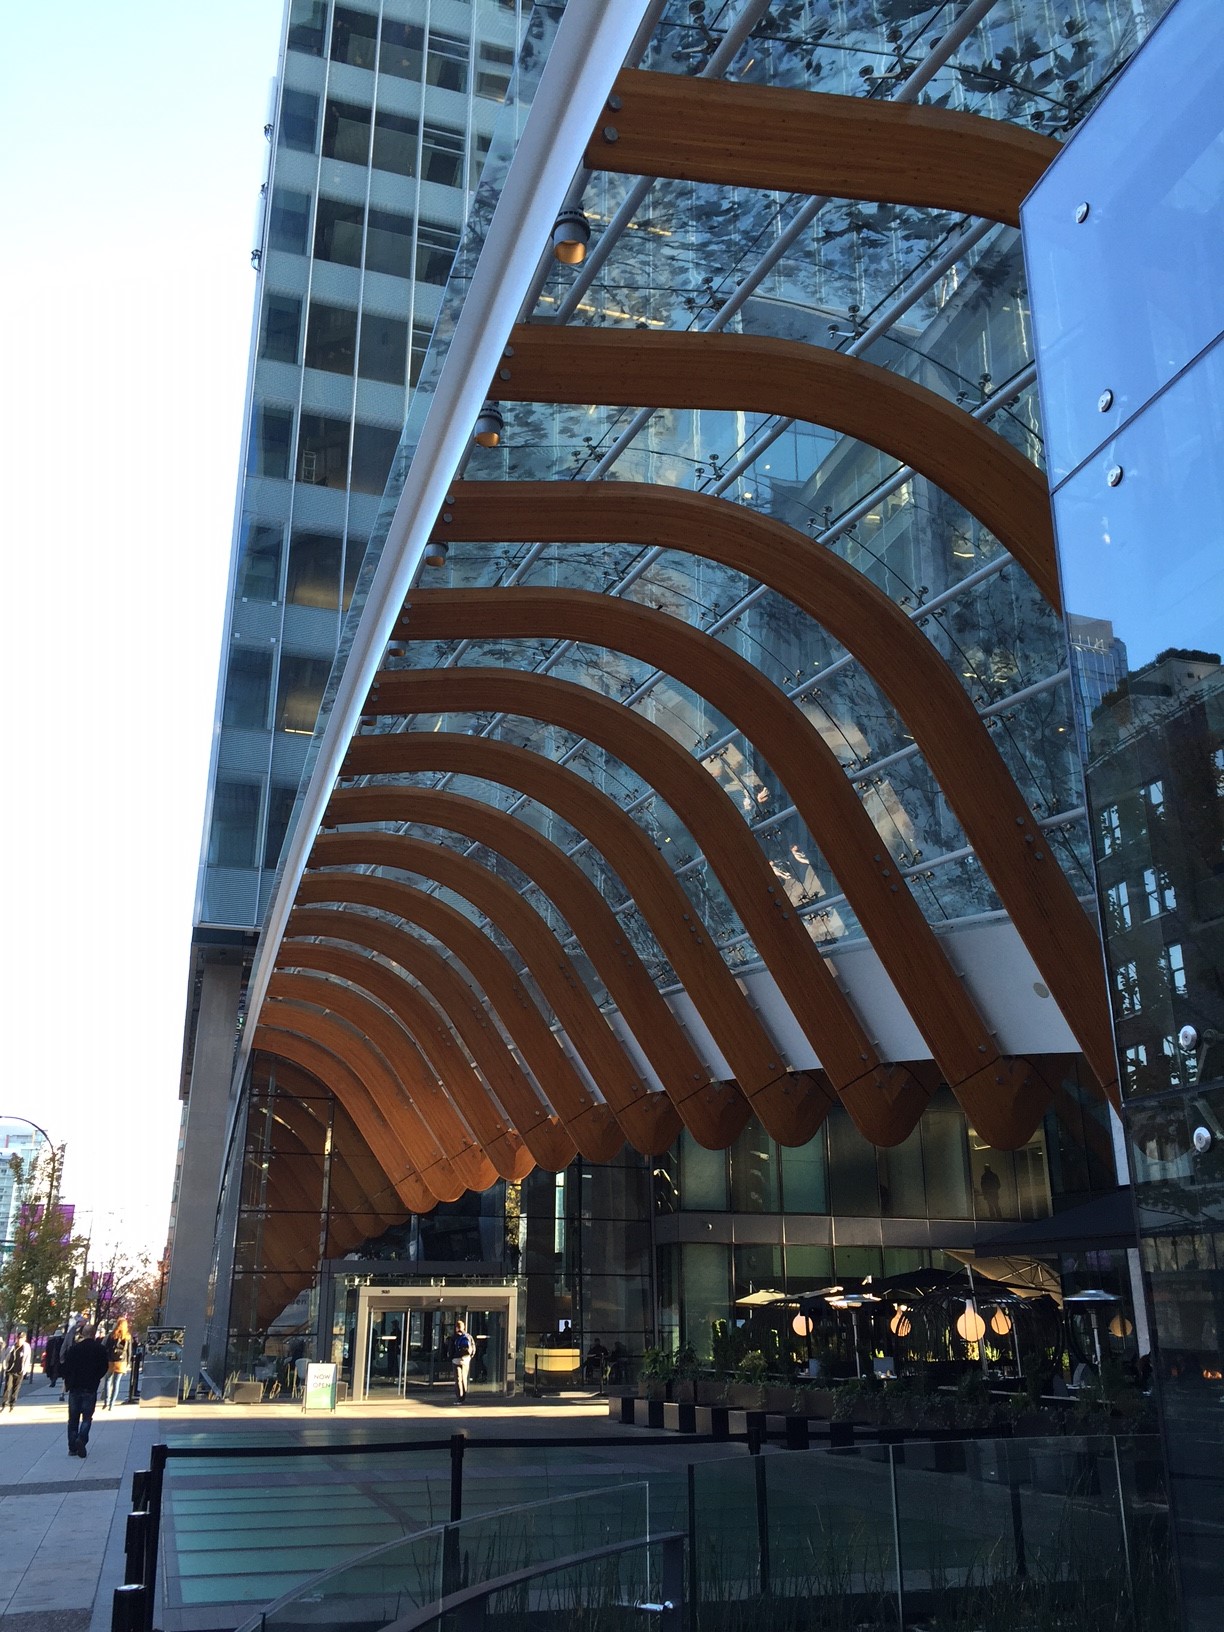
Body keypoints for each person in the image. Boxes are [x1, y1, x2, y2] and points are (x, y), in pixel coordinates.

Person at [60, 1323, 110, 1458]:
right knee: (87, 1418)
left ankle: (72, 1447)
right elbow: (104, 1367)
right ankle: (81, 1439)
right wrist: (96, 1378)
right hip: (90, 1387)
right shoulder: (99, 1349)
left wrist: (69, 1382)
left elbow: (67, 1367)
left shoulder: (75, 1349)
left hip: (75, 1387)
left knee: (73, 1419)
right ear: (94, 1334)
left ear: (83, 1334)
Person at [103, 1316, 133, 1410]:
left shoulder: (112, 1335)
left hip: (111, 1360)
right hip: (121, 1361)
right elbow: (129, 1351)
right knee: (116, 1383)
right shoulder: (127, 1336)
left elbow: (106, 1348)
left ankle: (106, 1401)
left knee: (108, 1380)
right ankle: (112, 1404)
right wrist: (128, 1362)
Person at [3, 1333, 33, 1410]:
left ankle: (12, 1403)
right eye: (18, 1338)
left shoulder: (26, 1348)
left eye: (21, 1338)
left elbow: (27, 1359)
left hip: (19, 1371)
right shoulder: (11, 1347)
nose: (19, 1340)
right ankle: (5, 1402)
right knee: (8, 1386)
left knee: (16, 1388)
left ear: (24, 1339)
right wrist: (5, 1366)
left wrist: (25, 1370)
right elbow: (6, 1356)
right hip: (10, 1370)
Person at [448, 1319, 475, 1403]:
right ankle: (464, 1396)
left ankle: (459, 1398)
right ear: (464, 1327)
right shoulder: (468, 1336)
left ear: (456, 1328)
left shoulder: (454, 1337)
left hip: (456, 1360)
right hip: (466, 1359)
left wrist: (451, 1357)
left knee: (458, 1379)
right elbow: (473, 1348)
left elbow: (450, 1349)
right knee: (464, 1378)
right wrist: (470, 1356)